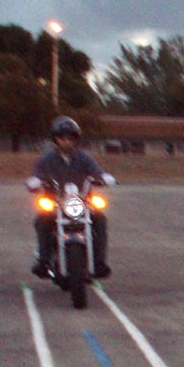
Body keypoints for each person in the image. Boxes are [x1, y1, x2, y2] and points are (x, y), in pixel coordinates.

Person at [30, 116, 114, 279]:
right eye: (62, 138)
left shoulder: (84, 159)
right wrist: (34, 181)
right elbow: (37, 175)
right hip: (55, 203)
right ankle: (44, 261)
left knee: (99, 219)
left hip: (81, 203)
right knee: (42, 220)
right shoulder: (46, 160)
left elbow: (97, 172)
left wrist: (105, 177)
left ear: (76, 139)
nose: (67, 141)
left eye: (71, 138)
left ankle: (99, 263)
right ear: (55, 139)